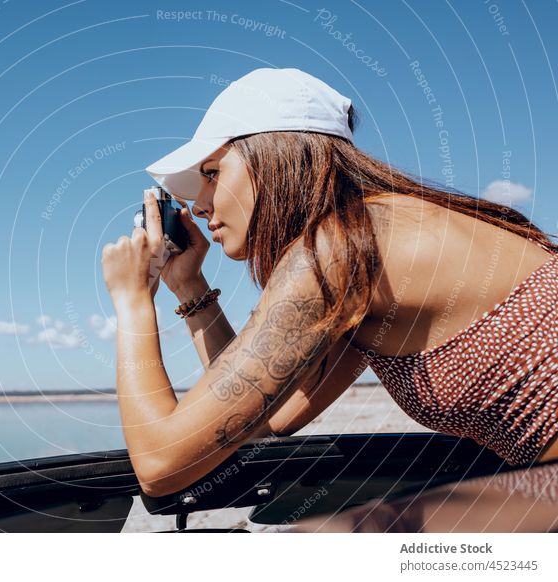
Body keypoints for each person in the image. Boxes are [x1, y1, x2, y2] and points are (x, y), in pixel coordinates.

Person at [100, 67, 558, 498]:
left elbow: (162, 464)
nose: (198, 206)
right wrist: (189, 287)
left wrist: (133, 300)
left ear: (276, 155)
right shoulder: (371, 236)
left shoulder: (334, 252)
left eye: (212, 174)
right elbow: (266, 417)